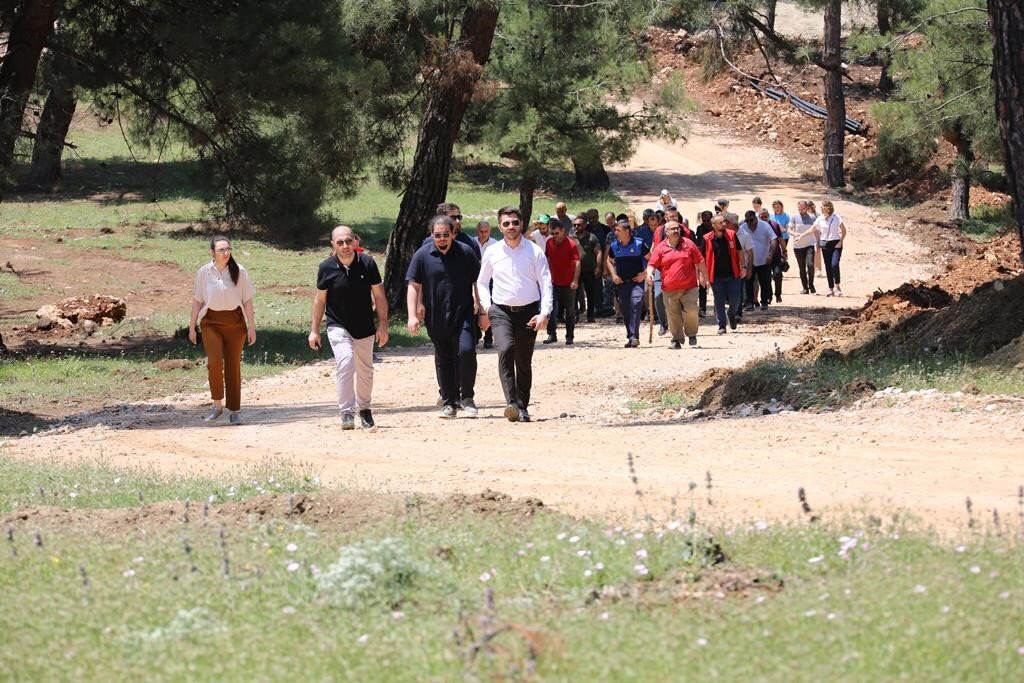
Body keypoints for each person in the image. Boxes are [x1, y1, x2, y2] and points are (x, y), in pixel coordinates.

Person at [477, 206, 553, 423]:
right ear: (500, 227)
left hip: (529, 312)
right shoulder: (492, 252)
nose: (511, 227)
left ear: (521, 224)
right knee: (506, 349)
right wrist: (487, 307)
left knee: (523, 361)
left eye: (515, 223)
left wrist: (544, 313)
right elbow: (482, 282)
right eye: (506, 223)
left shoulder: (534, 251)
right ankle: (511, 403)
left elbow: (546, 283)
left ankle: (523, 406)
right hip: (501, 311)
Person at [309, 225, 389, 430]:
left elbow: (379, 296)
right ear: (333, 245)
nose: (345, 245)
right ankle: (346, 412)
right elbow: (320, 300)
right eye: (340, 242)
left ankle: (365, 409)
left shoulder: (367, 263)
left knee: (365, 370)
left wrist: (383, 326)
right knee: (346, 362)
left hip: (364, 325)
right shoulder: (326, 267)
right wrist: (314, 330)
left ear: (355, 241)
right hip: (338, 325)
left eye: (348, 241)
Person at [407, 216, 481, 418]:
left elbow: (478, 281)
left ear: (453, 234)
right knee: (444, 357)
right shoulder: (422, 255)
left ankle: (467, 398)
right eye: (437, 235)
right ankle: (449, 402)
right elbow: (413, 285)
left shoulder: (466, 252)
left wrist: (482, 308)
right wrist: (412, 315)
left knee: (466, 351)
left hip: (464, 313)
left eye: (445, 235)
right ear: (432, 235)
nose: (441, 239)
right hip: (436, 315)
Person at [189, 235, 256, 425]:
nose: (226, 253)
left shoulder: (240, 271)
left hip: (235, 323)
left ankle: (234, 410)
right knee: (215, 362)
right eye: (221, 250)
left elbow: (247, 301)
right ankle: (217, 405)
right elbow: (197, 301)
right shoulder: (203, 272)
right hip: (211, 322)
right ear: (213, 252)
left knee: (233, 365)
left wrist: (251, 327)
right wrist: (192, 326)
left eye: (228, 249)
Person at [646, 221, 707, 348]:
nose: (676, 231)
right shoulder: (661, 248)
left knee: (691, 310)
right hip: (669, 289)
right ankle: (676, 339)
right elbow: (651, 264)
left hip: (689, 286)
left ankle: (691, 334)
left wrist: (704, 276)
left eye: (677, 228)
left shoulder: (688, 244)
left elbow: (700, 261)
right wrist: (649, 274)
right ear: (666, 232)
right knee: (673, 314)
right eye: (672, 229)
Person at [606, 219, 650, 347]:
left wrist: (644, 273)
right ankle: (631, 336)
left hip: (636, 282)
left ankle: (634, 336)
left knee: (636, 304)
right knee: (625, 310)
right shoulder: (614, 246)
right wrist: (613, 275)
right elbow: (609, 260)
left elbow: (652, 259)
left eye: (618, 230)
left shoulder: (639, 244)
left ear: (627, 231)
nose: (615, 232)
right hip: (622, 283)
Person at [703, 215, 746, 334]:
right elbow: (702, 258)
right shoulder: (707, 238)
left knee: (736, 299)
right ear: (713, 225)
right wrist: (703, 275)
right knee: (719, 301)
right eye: (720, 223)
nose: (724, 224)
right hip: (716, 276)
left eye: (724, 222)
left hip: (733, 273)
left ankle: (731, 313)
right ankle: (721, 325)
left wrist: (743, 267)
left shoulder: (732, 235)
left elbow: (739, 251)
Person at [543, 221, 580, 345]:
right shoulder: (549, 243)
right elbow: (547, 259)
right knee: (551, 310)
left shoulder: (571, 244)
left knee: (570, 311)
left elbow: (577, 262)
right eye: (553, 234)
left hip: (568, 283)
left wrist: (575, 280)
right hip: (553, 283)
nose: (555, 236)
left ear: (563, 231)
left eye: (557, 233)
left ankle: (569, 336)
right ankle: (551, 334)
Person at [741, 210, 777, 311]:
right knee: (748, 282)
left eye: (751, 220)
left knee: (765, 282)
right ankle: (749, 303)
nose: (749, 223)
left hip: (763, 260)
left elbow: (774, 240)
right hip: (749, 261)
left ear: (756, 219)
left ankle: (764, 302)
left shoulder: (764, 226)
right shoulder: (743, 227)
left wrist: (770, 254)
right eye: (747, 221)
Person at [573, 215, 603, 323]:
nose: (576, 227)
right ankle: (574, 315)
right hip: (575, 271)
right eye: (575, 225)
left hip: (589, 270)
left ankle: (590, 316)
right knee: (574, 294)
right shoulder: (571, 238)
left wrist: (598, 267)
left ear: (585, 225)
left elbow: (598, 252)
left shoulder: (592, 237)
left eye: (579, 225)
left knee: (591, 294)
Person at [815, 200, 847, 297]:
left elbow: (844, 230)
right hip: (825, 244)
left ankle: (837, 286)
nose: (821, 208)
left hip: (836, 243)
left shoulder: (836, 217)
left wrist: (840, 241)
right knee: (828, 266)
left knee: (834, 264)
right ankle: (831, 288)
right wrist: (801, 236)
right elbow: (813, 229)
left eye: (822, 207)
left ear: (828, 208)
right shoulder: (820, 218)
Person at [475, 220, 499, 348]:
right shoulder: (472, 243)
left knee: (489, 306)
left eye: (486, 231)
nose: (483, 234)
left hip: (490, 280)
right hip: (474, 279)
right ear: (477, 231)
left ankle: (488, 337)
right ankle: (475, 334)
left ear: (490, 231)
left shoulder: (495, 245)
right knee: (475, 306)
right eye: (481, 231)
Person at [760, 207, 788, 303]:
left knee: (777, 274)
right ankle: (769, 296)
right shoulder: (757, 227)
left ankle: (778, 294)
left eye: (765, 217)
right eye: (762, 217)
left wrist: (784, 251)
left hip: (775, 255)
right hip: (763, 256)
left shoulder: (775, 225)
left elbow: (780, 239)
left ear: (768, 216)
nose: (764, 219)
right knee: (766, 277)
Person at [789, 201, 818, 294]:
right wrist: (794, 233)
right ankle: (805, 288)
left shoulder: (813, 217)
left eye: (803, 209)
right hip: (798, 246)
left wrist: (818, 242)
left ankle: (811, 284)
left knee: (810, 264)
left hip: (809, 244)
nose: (801, 211)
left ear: (807, 208)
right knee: (802, 267)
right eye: (799, 209)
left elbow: (816, 230)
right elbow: (789, 229)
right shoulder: (794, 217)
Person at [694, 211, 714, 316]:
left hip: (714, 258)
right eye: (704, 220)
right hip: (704, 258)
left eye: (708, 220)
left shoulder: (715, 228)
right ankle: (702, 308)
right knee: (702, 285)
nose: (706, 222)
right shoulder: (700, 229)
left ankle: (717, 308)